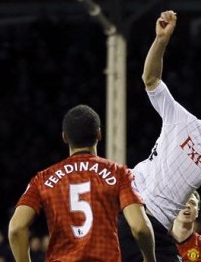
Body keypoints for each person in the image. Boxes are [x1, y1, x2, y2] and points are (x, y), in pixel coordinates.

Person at [118, 10, 201, 262]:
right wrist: (161, 40)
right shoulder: (181, 120)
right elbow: (150, 79)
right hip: (134, 211)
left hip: (159, 229)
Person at [8, 104, 156, 262]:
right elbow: (139, 227)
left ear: (65, 137)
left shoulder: (43, 179)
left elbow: (16, 228)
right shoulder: (119, 173)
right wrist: (149, 259)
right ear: (99, 134)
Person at [172, 190, 201, 262]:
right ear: (173, 208)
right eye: (182, 201)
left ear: (197, 213)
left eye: (192, 203)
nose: (187, 205)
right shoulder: (158, 240)